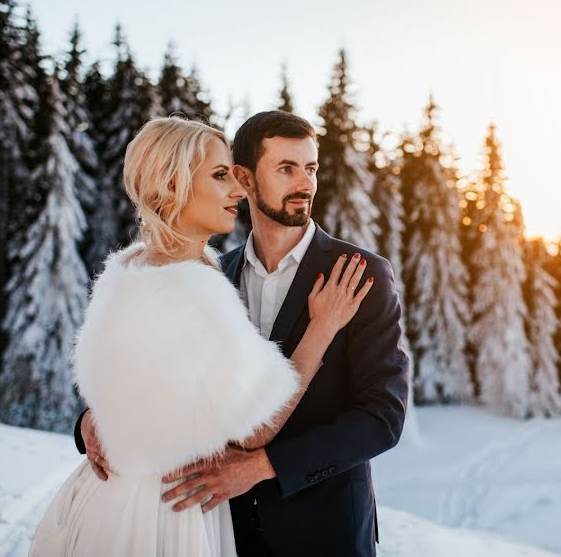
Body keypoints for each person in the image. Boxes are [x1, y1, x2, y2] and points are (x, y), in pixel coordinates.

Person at [29, 116, 374, 556]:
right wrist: (320, 329)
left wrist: (105, 420)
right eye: (219, 175)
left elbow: (380, 416)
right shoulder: (200, 284)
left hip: (117, 500)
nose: (236, 190)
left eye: (311, 167)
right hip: (166, 511)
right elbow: (254, 431)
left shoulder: (129, 269)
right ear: (173, 184)